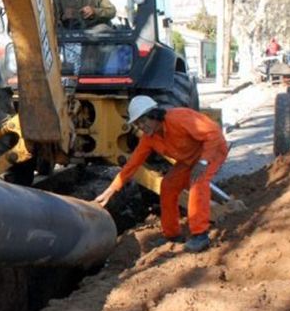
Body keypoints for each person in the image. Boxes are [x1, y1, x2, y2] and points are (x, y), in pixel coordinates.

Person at [92, 95, 228, 253]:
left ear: (154, 115)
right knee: (168, 185)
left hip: (212, 152)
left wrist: (203, 162)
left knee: (198, 183)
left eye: (143, 121)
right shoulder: (149, 139)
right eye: (138, 124)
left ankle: (200, 235)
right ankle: (172, 234)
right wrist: (111, 190)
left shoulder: (179, 118)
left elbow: (214, 133)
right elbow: (132, 164)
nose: (141, 126)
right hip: (189, 159)